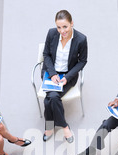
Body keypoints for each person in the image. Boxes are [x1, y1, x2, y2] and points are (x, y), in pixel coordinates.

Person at [41, 10, 88, 143]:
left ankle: (50, 127)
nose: (62, 31)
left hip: (68, 75)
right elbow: (46, 55)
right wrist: (52, 73)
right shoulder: (51, 33)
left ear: (71, 23)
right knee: (53, 97)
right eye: (59, 27)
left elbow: (83, 61)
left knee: (50, 98)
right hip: (51, 73)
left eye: (65, 27)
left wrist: (67, 76)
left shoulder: (81, 39)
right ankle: (64, 126)